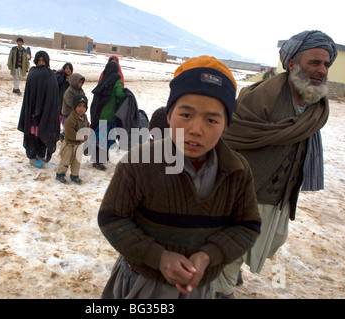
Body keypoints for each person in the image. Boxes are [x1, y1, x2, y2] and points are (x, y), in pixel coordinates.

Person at [98, 55, 261, 299]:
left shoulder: (237, 171)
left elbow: (247, 225)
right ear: (170, 115)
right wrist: (159, 257)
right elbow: (112, 218)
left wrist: (208, 255)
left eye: (211, 119)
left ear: (226, 125)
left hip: (199, 289)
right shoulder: (140, 163)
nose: (196, 129)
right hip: (141, 283)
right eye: (186, 115)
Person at [214, 30, 338, 299]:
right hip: (247, 187)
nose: (321, 70)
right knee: (235, 244)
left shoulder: (316, 104)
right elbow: (234, 136)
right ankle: (220, 291)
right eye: (314, 62)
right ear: (292, 63)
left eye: (326, 64)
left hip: (281, 193)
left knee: (271, 240)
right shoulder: (262, 96)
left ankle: (230, 271)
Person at [17, 51, 60, 168]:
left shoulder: (50, 75)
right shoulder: (33, 73)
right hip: (34, 112)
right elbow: (30, 94)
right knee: (34, 133)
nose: (41, 63)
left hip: (46, 111)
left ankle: (41, 154)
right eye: (39, 61)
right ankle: (32, 156)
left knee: (43, 133)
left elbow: (54, 91)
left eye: (43, 61)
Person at [89, 61, 127, 170]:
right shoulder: (117, 80)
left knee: (99, 138)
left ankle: (96, 159)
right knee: (103, 139)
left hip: (99, 113)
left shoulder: (103, 80)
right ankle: (99, 161)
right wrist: (126, 95)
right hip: (109, 115)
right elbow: (119, 93)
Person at [56, 94, 90, 184]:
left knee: (77, 161)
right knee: (66, 160)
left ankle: (75, 175)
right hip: (69, 145)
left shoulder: (84, 118)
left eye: (84, 106)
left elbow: (87, 126)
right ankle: (60, 174)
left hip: (78, 145)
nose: (81, 109)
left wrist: (87, 134)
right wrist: (80, 137)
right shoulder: (71, 118)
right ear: (74, 107)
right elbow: (69, 131)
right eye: (79, 106)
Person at [61, 72, 85, 142]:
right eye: (79, 82)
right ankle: (63, 136)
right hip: (68, 113)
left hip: (76, 113)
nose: (80, 84)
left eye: (81, 83)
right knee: (68, 127)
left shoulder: (80, 91)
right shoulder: (69, 91)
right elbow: (70, 102)